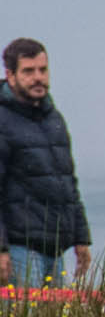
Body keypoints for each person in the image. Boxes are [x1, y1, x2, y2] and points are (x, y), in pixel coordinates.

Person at [0, 39, 92, 288]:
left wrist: (81, 238)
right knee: (23, 314)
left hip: (55, 248)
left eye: (43, 70)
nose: (38, 78)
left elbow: (67, 182)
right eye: (28, 71)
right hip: (18, 249)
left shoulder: (53, 118)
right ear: (10, 75)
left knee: (57, 315)